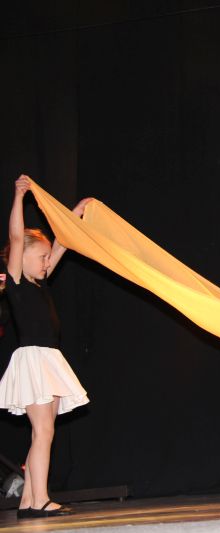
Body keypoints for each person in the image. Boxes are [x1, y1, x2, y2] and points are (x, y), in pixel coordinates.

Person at [0, 174, 92, 518]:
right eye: (40, 257)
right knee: (44, 431)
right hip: (34, 359)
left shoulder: (40, 282)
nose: (46, 262)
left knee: (43, 433)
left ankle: (28, 500)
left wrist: (75, 212)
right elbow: (15, 235)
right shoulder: (17, 281)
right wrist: (18, 197)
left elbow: (63, 242)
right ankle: (40, 499)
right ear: (21, 257)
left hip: (49, 359)